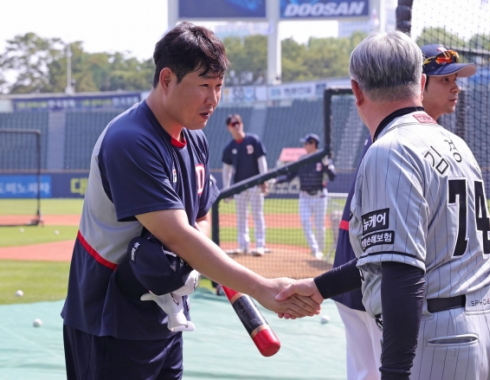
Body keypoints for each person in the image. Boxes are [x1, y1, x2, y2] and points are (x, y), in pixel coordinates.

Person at [61, 22, 319, 380]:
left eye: (218, 87)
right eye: (203, 86)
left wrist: (196, 255)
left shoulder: (194, 138)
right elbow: (177, 235)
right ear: (167, 79)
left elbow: (199, 217)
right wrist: (260, 287)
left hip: (167, 317)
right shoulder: (130, 140)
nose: (213, 100)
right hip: (110, 321)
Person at [277, 30, 490, 380]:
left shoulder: (391, 150)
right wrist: (320, 287)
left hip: (447, 340)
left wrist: (393, 374)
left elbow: (402, 273)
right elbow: (406, 253)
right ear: (420, 82)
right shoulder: (455, 143)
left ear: (356, 90)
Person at [329, 42, 479, 380]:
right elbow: (393, 256)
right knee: (369, 371)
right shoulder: (401, 144)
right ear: (419, 82)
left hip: (417, 298)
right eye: (445, 79)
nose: (456, 86)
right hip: (379, 285)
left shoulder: (407, 139)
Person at [276, 133, 336, 259]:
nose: (304, 145)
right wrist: (275, 181)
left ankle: (320, 250)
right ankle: (315, 249)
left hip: (320, 196)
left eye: (306, 143)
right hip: (304, 196)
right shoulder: (302, 159)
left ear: (313, 144)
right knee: (304, 222)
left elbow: (332, 176)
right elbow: (290, 176)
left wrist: (326, 164)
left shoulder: (322, 158)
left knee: (319, 225)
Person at [222, 113, 268, 256]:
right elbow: (227, 170)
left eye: (238, 123)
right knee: (241, 216)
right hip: (239, 187)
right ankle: (243, 245)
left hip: (255, 185)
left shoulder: (253, 140)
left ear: (241, 124)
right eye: (233, 124)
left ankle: (260, 245)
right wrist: (227, 189)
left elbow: (262, 161)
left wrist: (264, 180)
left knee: (257, 215)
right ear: (228, 128)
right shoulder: (229, 147)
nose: (236, 126)